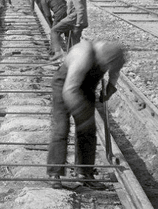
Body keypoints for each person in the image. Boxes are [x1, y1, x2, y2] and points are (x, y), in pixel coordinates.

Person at [47, 38, 128, 186]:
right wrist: (82, 115)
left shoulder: (114, 55)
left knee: (88, 131)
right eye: (104, 65)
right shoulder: (82, 55)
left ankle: (84, 173)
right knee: (62, 128)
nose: (105, 68)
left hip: (86, 88)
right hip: (65, 85)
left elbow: (115, 71)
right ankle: (55, 174)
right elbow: (70, 90)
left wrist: (110, 87)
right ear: (99, 58)